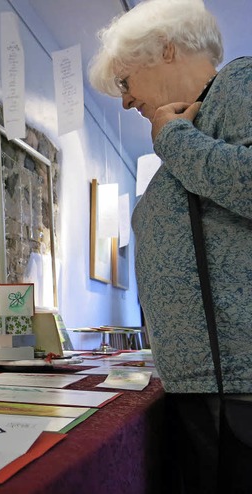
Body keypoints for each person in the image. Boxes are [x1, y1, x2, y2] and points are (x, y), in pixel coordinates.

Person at [88, 0, 252, 492]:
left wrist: (172, 136)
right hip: (206, 389)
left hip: (237, 390)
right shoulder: (196, 124)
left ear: (165, 48)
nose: (124, 101)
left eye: (124, 81)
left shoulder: (240, 84)